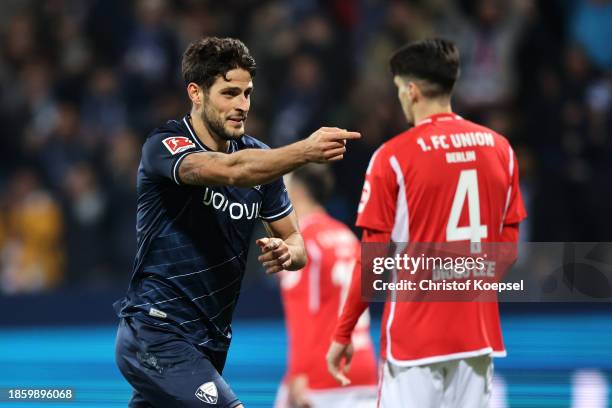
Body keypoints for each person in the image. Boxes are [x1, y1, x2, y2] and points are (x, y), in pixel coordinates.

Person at [113, 37, 360, 408]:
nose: (242, 105)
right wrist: (305, 151)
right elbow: (231, 172)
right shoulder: (166, 145)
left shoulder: (261, 158)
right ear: (196, 93)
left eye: (247, 94)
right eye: (229, 93)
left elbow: (297, 243)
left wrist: (286, 252)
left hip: (211, 342)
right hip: (157, 331)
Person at [326, 38, 527, 407]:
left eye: (399, 89)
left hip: (413, 341)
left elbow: (373, 261)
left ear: (412, 90)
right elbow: (510, 244)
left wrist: (343, 332)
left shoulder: (392, 158)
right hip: (477, 336)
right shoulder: (500, 149)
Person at [275, 164, 378, 408]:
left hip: (321, 372)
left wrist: (299, 373)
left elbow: (299, 311)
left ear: (296, 193)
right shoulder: (348, 237)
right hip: (362, 366)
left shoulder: (301, 244)